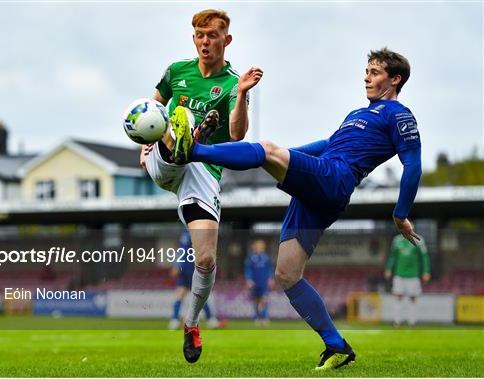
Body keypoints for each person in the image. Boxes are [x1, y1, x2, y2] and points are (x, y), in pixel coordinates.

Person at [171, 47, 422, 369]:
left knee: (265, 150)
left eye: (374, 72)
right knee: (287, 274)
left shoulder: (398, 115)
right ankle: (337, 346)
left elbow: (412, 163)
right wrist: (282, 155)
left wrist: (401, 213)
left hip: (334, 179)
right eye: (367, 71)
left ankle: (192, 150)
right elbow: (326, 145)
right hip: (317, 189)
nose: (366, 77)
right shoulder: (358, 114)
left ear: (395, 79)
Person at [140, 9, 263, 363]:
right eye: (199, 35)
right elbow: (153, 108)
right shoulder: (175, 72)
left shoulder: (232, 83)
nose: (205, 42)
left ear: (227, 39)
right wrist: (142, 144)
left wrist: (239, 95)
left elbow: (238, 134)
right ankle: (186, 135)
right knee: (176, 120)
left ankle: (191, 324)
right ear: (193, 38)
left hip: (202, 173)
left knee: (206, 259)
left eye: (212, 35)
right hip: (164, 160)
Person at [168, 229, 223, 330]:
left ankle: (175, 321)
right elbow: (182, 250)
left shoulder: (191, 230)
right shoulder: (189, 231)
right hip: (188, 267)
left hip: (193, 265)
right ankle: (175, 320)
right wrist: (176, 265)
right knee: (189, 294)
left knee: (194, 294)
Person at [384, 234, 430, 326]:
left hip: (413, 275)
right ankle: (397, 321)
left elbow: (424, 256)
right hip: (399, 274)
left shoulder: (419, 239)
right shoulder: (397, 240)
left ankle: (412, 321)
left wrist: (426, 271)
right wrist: (389, 268)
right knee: (398, 297)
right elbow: (393, 256)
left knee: (412, 298)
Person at [244, 239, 275, 325]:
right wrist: (249, 280)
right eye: (258, 246)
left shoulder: (266, 257)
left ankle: (264, 317)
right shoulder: (250, 257)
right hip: (254, 282)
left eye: (261, 246)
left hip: (264, 282)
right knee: (256, 300)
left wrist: (271, 278)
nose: (260, 248)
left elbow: (270, 269)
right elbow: (248, 269)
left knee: (264, 300)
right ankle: (257, 317)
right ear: (255, 247)